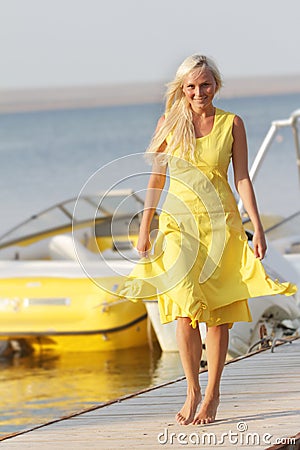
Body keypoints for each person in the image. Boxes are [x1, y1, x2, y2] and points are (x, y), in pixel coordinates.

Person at [118, 54, 297, 425]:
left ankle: (213, 392)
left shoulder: (233, 124)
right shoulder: (169, 122)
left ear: (216, 85)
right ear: (182, 89)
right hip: (178, 227)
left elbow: (242, 178)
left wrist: (258, 227)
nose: (199, 92)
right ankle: (192, 389)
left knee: (217, 317)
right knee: (184, 310)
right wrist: (144, 225)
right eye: (191, 86)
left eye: (205, 85)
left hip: (221, 226)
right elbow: (157, 179)